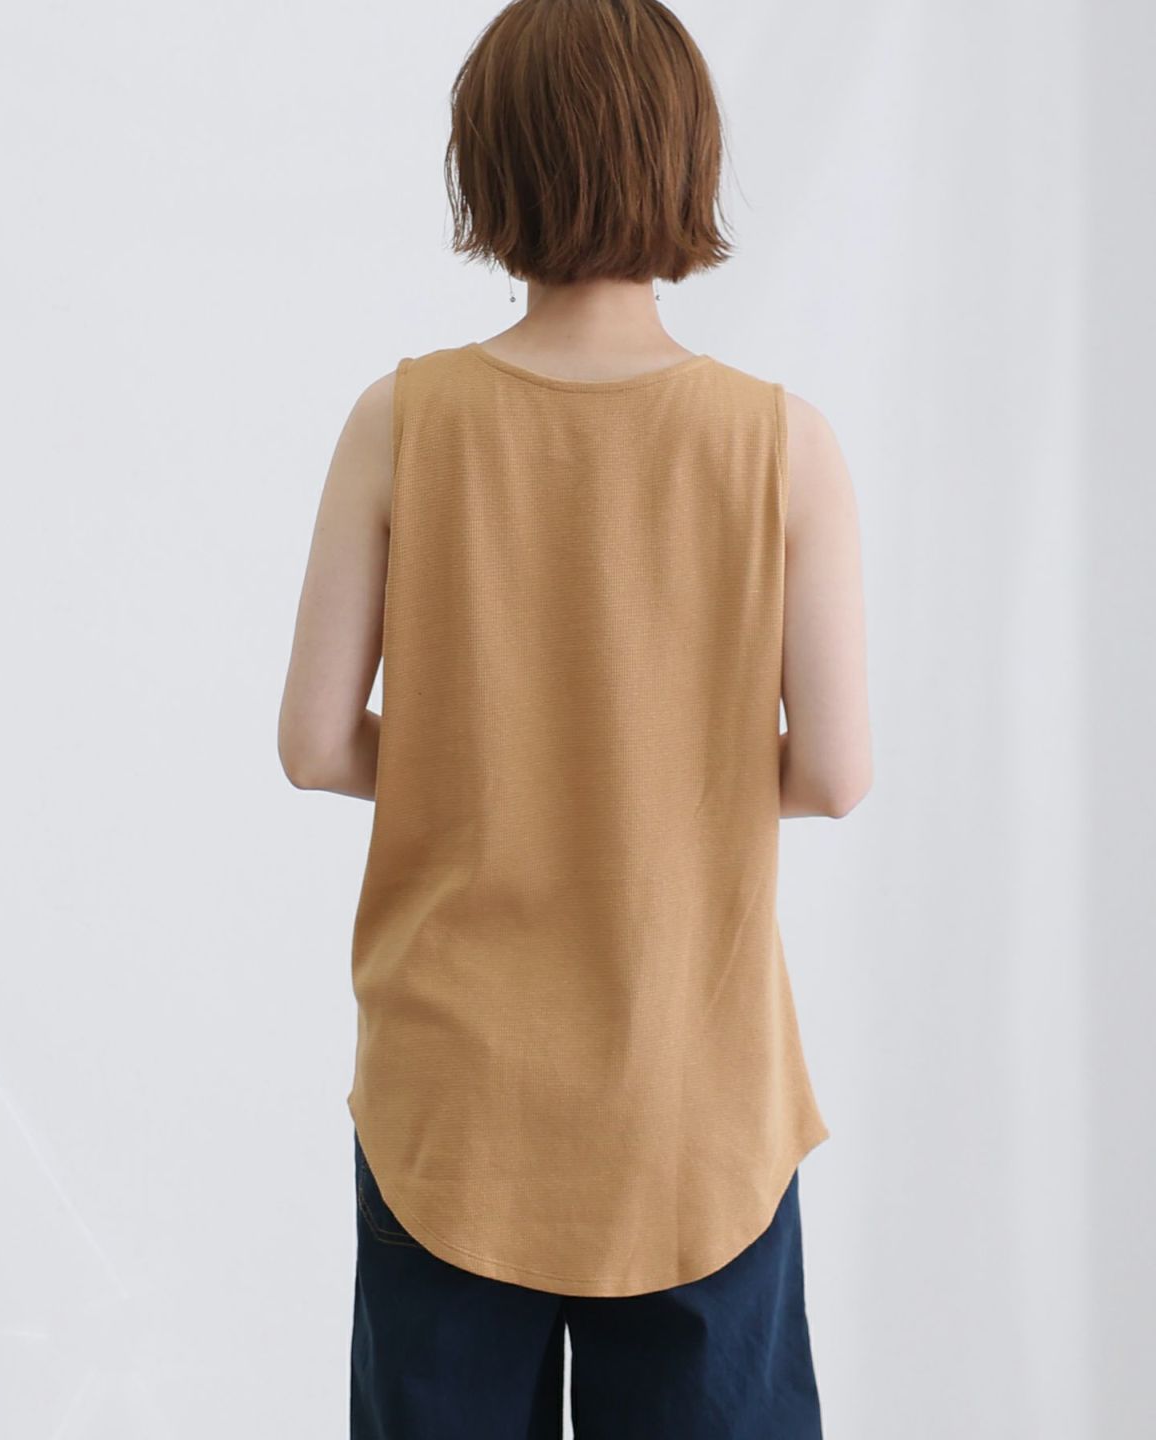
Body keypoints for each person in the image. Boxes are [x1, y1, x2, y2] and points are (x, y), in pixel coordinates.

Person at [277, 0, 872, 1434]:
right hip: (693, 1101)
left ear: (488, 166)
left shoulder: (400, 420)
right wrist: (663, 775)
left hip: (453, 1109)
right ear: (687, 157)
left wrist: (493, 769)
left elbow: (314, 742)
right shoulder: (781, 443)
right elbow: (837, 774)